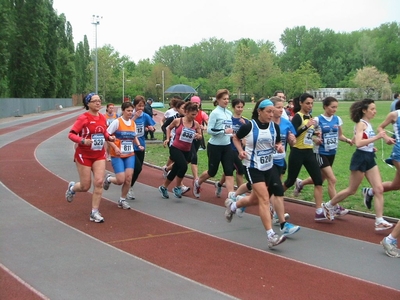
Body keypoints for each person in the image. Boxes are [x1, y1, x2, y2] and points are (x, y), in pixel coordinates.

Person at [323, 99, 394, 231]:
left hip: (369, 158)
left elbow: (358, 139)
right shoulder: (361, 124)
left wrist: (371, 146)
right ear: (364, 110)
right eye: (372, 109)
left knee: (379, 189)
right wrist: (377, 138)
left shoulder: (368, 124)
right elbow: (359, 143)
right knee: (352, 190)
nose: (375, 111)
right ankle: (329, 205)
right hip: (360, 158)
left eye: (375, 109)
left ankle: (379, 220)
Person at [225, 99, 287, 248]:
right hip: (253, 167)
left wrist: (278, 147)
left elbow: (277, 143)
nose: (271, 115)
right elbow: (235, 138)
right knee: (265, 199)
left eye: (273, 112)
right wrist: (240, 151)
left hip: (268, 166)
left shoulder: (275, 127)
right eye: (268, 112)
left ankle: (233, 206)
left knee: (255, 199)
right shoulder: (249, 126)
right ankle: (271, 236)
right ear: (259, 111)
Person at [294, 97, 353, 217]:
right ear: (325, 106)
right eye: (332, 107)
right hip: (320, 153)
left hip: (332, 153)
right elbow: (307, 135)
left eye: (336, 107)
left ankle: (301, 183)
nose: (334, 109)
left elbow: (339, 135)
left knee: (321, 178)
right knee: (332, 179)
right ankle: (335, 206)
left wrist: (347, 140)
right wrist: (315, 139)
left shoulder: (337, 119)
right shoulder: (317, 119)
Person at [65, 93, 115, 223]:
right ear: (88, 103)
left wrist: (109, 137)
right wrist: (82, 141)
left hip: (98, 154)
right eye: (95, 101)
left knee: (99, 182)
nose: (98, 103)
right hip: (84, 154)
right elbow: (71, 134)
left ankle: (94, 212)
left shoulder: (102, 118)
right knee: (85, 186)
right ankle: (72, 188)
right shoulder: (83, 118)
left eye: (99, 100)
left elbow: (103, 132)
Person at [282, 93, 326, 221]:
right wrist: (306, 127)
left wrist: (315, 135)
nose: (310, 106)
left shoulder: (310, 116)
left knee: (318, 180)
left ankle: (318, 211)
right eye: (307, 103)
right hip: (297, 152)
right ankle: (273, 197)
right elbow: (294, 134)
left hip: (309, 152)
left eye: (312, 103)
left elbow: (306, 135)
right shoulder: (298, 117)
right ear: (300, 103)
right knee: (290, 181)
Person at [193, 89, 234, 199]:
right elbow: (210, 130)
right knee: (212, 172)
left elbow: (231, 128)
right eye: (224, 99)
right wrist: (223, 131)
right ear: (218, 100)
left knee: (229, 171)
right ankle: (198, 183)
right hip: (215, 146)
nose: (226, 101)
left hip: (227, 146)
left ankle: (231, 198)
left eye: (227, 99)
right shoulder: (215, 113)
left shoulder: (229, 113)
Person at [103, 102, 144, 209]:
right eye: (128, 111)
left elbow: (134, 136)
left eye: (131, 111)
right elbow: (107, 136)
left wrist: (138, 145)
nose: (130, 113)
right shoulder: (117, 122)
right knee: (120, 180)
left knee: (128, 178)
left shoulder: (133, 123)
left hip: (130, 154)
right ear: (123, 110)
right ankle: (109, 179)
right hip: (117, 155)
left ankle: (122, 199)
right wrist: (115, 147)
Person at [362, 100, 400, 210]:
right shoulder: (395, 114)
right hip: (398, 153)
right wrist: (386, 137)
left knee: (396, 185)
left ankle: (369, 192)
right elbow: (380, 127)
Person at [158, 102, 202, 198]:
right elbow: (168, 128)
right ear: (186, 112)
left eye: (195, 114)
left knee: (175, 170)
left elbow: (200, 135)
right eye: (192, 114)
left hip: (186, 150)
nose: (194, 116)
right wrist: (168, 138)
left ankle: (163, 187)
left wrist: (198, 136)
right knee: (183, 166)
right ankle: (178, 187)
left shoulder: (196, 124)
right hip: (175, 148)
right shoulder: (178, 121)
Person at [215, 98, 248, 198]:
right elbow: (225, 132)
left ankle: (219, 184)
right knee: (240, 170)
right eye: (238, 107)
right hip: (230, 148)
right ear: (233, 107)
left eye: (242, 107)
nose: (240, 109)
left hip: (240, 149)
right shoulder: (229, 120)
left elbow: (248, 135)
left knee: (229, 170)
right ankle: (241, 193)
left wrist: (245, 128)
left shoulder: (246, 121)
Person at [126, 95, 155, 200]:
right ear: (134, 106)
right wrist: (135, 117)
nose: (141, 108)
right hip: (130, 145)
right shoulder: (129, 114)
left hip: (141, 145)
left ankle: (129, 185)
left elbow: (151, 126)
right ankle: (128, 187)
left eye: (142, 106)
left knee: (138, 169)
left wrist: (150, 128)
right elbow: (127, 126)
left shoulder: (146, 116)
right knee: (136, 167)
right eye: (139, 106)